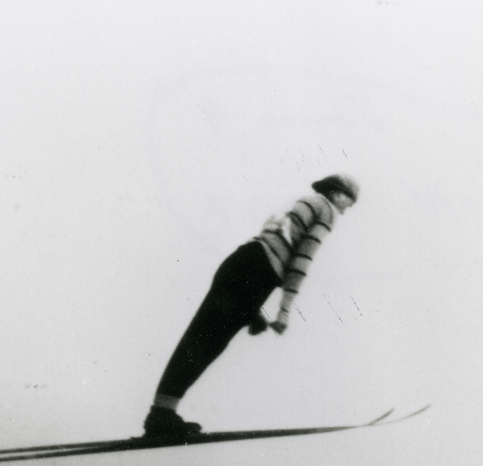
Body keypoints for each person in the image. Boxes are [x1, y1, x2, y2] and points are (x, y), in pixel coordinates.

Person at [143, 174, 359, 437]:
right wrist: (283, 312)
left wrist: (252, 311)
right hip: (259, 273)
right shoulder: (326, 210)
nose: (347, 209)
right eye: (350, 201)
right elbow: (301, 260)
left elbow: (271, 241)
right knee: (209, 344)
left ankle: (161, 412)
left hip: (241, 261)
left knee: (199, 339)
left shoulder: (300, 201)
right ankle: (162, 417)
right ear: (338, 194)